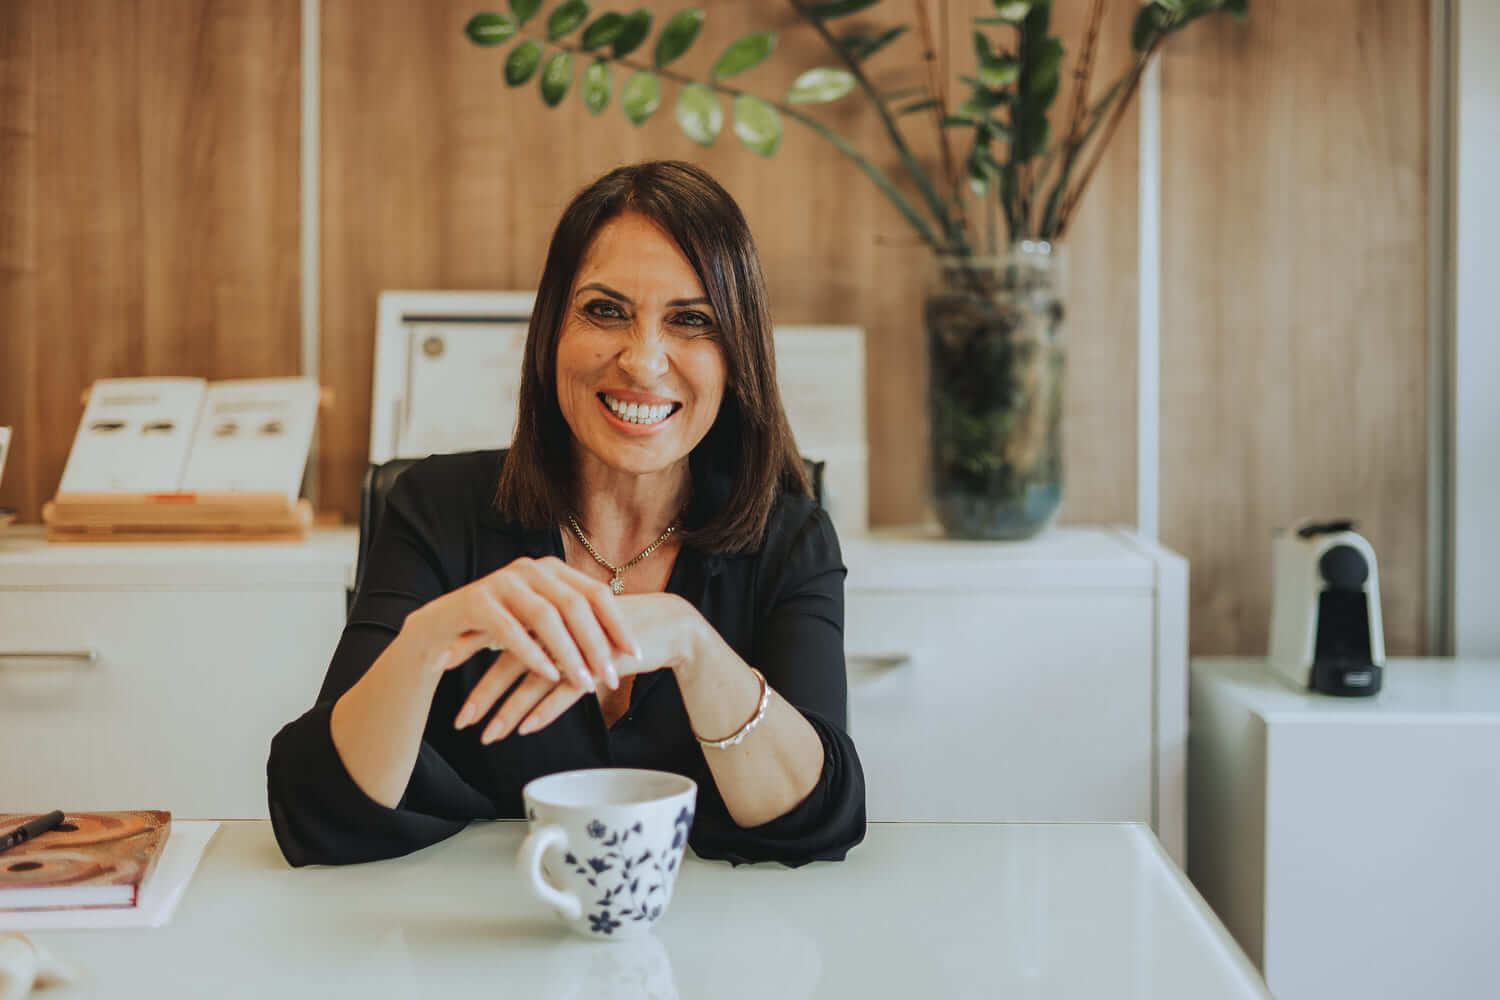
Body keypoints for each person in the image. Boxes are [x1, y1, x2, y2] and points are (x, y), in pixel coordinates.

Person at [267, 160, 866, 868]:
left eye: (692, 321)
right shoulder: (435, 507)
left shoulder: (788, 535)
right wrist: (429, 640)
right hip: (469, 948)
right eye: (606, 310)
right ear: (552, 330)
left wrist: (691, 643)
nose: (643, 362)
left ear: (738, 354)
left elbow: (820, 818)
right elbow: (315, 812)